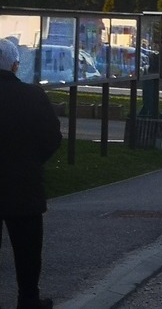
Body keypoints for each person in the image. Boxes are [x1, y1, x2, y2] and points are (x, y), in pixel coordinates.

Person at [0, 37, 62, 309]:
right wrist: (33, 161)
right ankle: (28, 299)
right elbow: (51, 137)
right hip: (23, 185)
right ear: (15, 66)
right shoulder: (33, 95)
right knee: (27, 248)